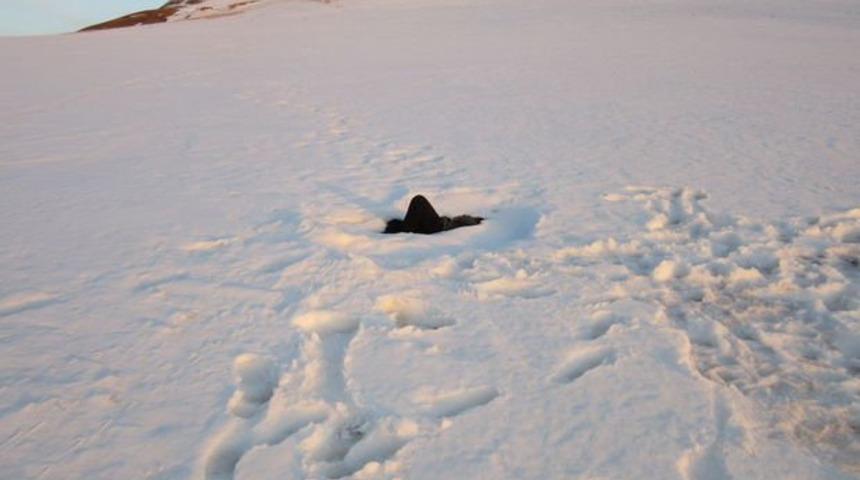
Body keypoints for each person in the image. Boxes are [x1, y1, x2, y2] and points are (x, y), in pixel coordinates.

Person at [384, 195, 483, 234]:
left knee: (419, 200)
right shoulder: (461, 222)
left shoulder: (470, 223)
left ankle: (405, 230)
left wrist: (475, 219)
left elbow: (468, 221)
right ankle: (400, 228)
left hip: (438, 227)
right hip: (435, 225)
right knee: (395, 223)